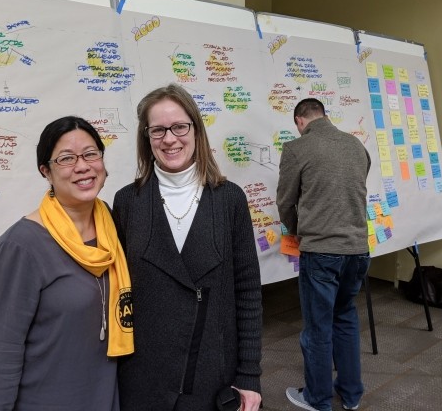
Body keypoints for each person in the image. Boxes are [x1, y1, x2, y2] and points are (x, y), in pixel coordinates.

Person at [112, 83, 262, 411]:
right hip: (143, 378)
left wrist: (249, 375)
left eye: (179, 126)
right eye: (158, 130)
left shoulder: (229, 199)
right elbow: (118, 293)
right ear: (146, 137)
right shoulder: (127, 202)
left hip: (210, 374)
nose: (169, 138)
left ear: (195, 130)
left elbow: (247, 291)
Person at [0, 116, 133, 411]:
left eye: (90, 154)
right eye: (66, 159)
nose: (82, 166)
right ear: (45, 171)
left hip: (105, 399)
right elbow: (1, 352)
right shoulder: (21, 246)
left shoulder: (111, 225)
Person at [276, 98, 371, 411]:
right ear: (323, 115)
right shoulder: (357, 146)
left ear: (300, 120)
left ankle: (317, 399)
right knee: (345, 318)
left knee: (317, 327)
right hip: (357, 250)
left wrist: (297, 231)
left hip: (321, 251)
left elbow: (286, 203)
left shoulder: (297, 148)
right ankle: (351, 394)